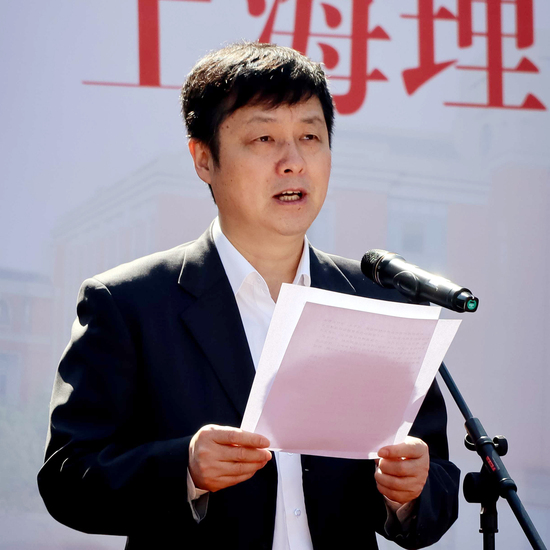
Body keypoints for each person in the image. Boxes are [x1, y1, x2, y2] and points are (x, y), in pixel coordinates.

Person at [38, 42, 459, 549]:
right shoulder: (129, 303)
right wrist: (184, 468)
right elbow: (66, 478)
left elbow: (436, 484)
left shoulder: (378, 300)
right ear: (203, 158)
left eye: (310, 136)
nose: (293, 162)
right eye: (264, 138)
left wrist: (409, 492)